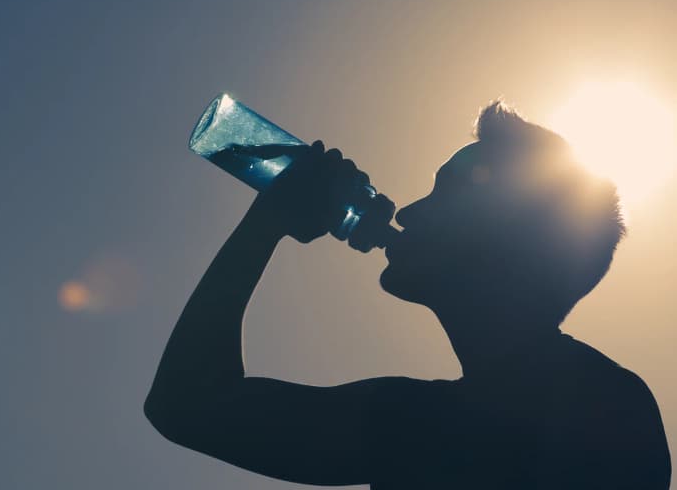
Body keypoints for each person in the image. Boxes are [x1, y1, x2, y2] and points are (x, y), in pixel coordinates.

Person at [144, 101, 671, 488]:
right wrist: (267, 222)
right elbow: (184, 407)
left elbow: (186, 405)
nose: (408, 212)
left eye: (446, 195)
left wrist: (267, 226)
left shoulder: (594, 410)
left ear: (508, 240)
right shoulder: (414, 419)